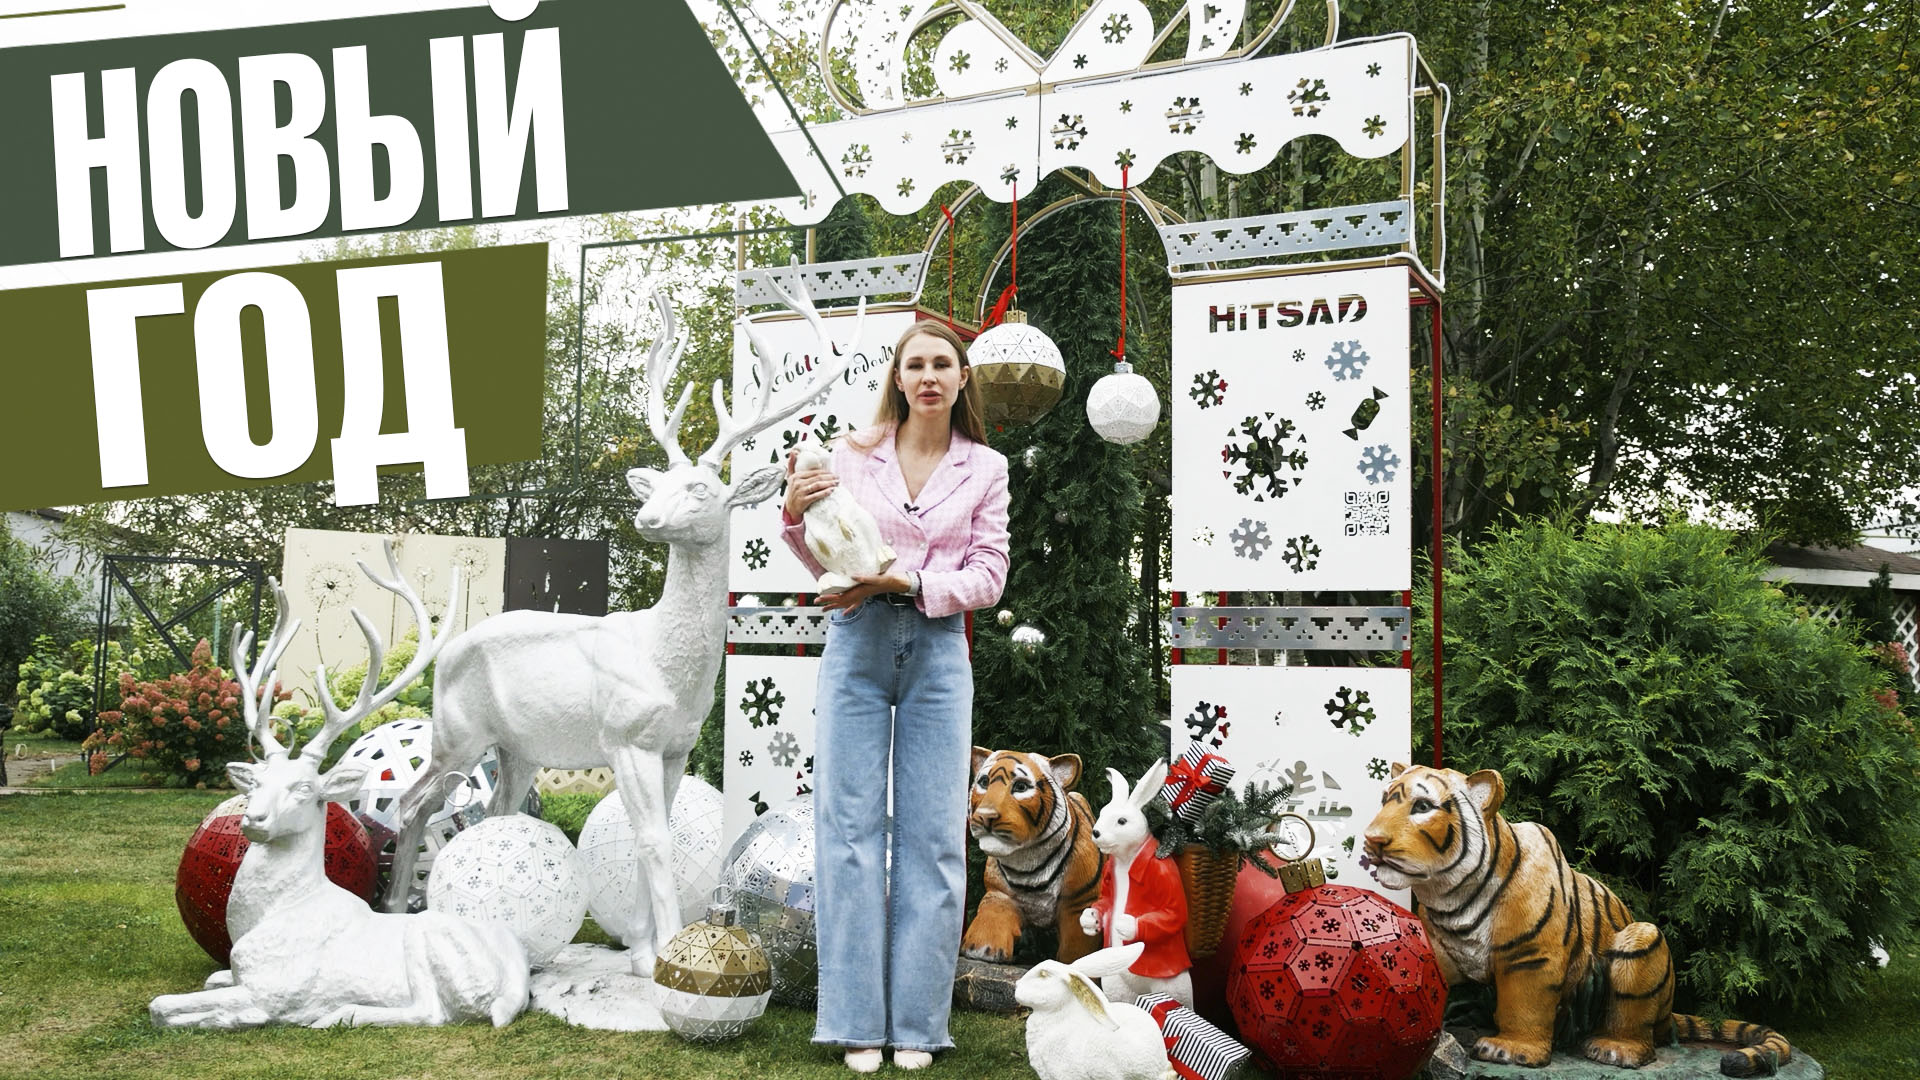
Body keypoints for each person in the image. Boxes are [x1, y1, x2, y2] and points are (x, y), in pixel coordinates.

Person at [780, 319, 1010, 1072]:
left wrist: (907, 579)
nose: (929, 376)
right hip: (857, 643)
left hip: (938, 652)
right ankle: (855, 1023)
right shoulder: (852, 454)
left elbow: (989, 575)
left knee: (933, 839)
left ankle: (917, 1026)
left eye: (943, 364)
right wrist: (793, 511)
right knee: (848, 832)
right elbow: (819, 545)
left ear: (962, 377)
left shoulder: (986, 467)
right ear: (899, 378)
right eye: (916, 365)